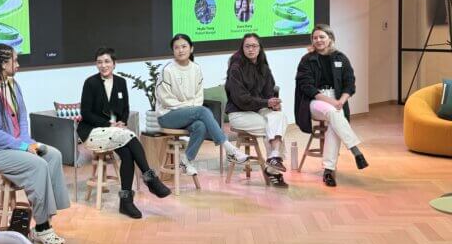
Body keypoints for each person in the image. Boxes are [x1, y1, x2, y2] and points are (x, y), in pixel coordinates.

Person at [0, 44, 70, 244]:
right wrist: (23, 146)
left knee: (53, 155)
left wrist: (27, 142)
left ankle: (47, 216)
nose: (18, 65)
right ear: (2, 64)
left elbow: (23, 118)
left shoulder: (13, 85)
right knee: (38, 165)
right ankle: (43, 227)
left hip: (15, 145)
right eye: (14, 61)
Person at [78, 47, 171, 219]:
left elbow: (125, 108)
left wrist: (122, 122)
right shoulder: (90, 83)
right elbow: (86, 113)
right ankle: (150, 178)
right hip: (93, 132)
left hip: (115, 132)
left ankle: (126, 202)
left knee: (128, 155)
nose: (103, 65)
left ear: (114, 63)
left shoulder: (120, 82)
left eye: (107, 61)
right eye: (99, 62)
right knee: (130, 136)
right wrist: (110, 124)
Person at [156, 34, 249, 176]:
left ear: (191, 49)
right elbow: (165, 99)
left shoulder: (196, 69)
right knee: (202, 111)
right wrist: (189, 108)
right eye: (176, 48)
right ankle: (229, 149)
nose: (180, 50)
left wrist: (190, 109)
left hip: (188, 114)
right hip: (168, 115)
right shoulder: (167, 70)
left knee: (201, 126)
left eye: (184, 46)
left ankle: (186, 160)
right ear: (173, 51)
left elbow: (199, 97)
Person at [294, 24, 368, 187]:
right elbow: (307, 87)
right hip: (314, 101)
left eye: (322, 37)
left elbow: (350, 83)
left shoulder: (341, 58)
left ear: (330, 39)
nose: (318, 40)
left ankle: (328, 170)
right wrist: (333, 103)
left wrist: (342, 100)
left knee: (334, 124)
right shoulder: (307, 59)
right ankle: (355, 150)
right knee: (333, 113)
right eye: (315, 38)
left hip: (337, 99)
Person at [225, 33, 289, 187]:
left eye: (254, 46)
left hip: (257, 109)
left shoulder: (264, 68)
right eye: (247, 46)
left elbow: (268, 93)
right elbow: (242, 99)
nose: (251, 49)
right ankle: (273, 170)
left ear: (260, 48)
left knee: (279, 116)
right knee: (272, 128)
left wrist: (273, 103)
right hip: (239, 113)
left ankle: (274, 157)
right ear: (242, 48)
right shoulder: (236, 68)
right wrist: (266, 102)